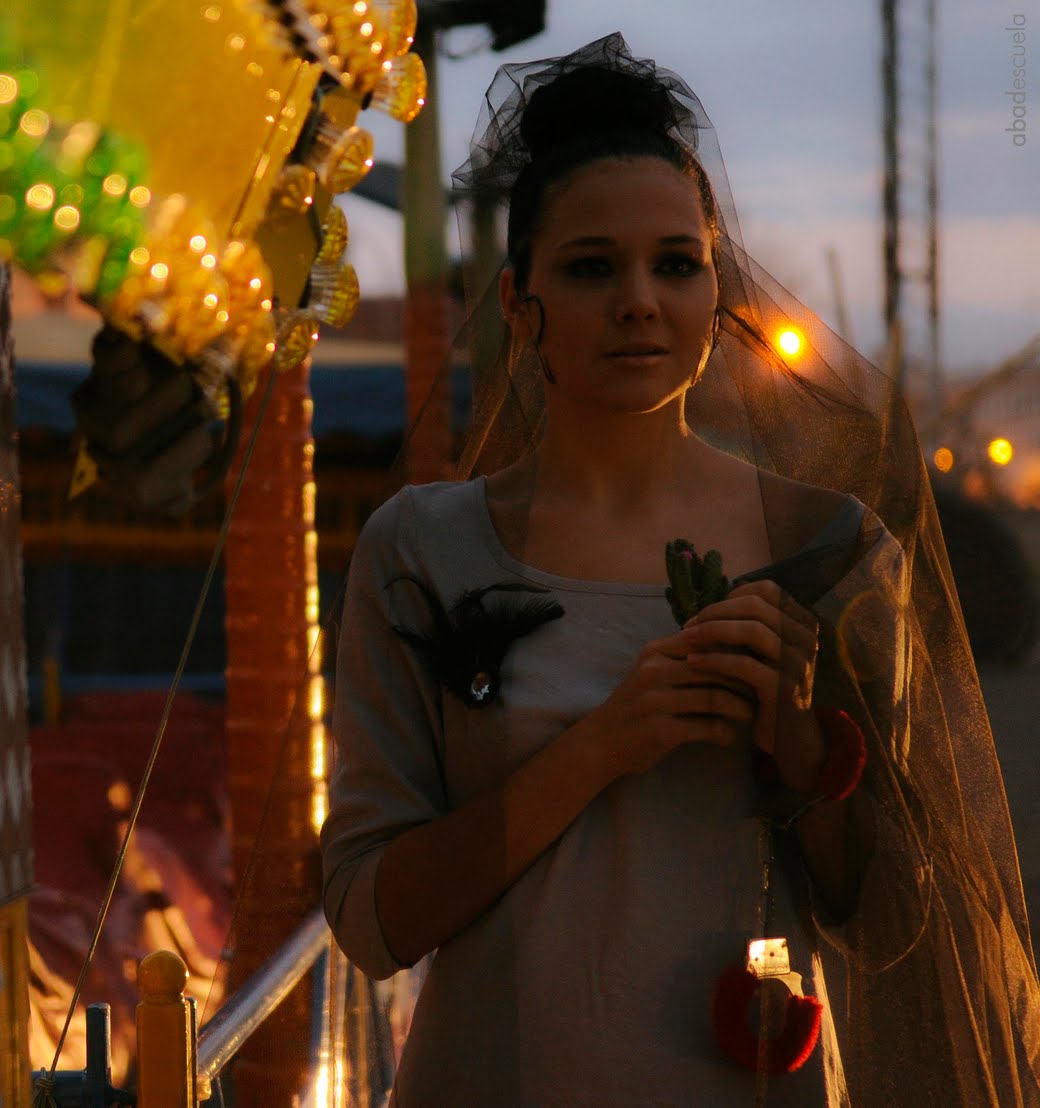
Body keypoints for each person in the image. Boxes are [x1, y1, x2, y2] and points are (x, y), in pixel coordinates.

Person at [320, 33, 1040, 1105]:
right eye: (591, 267)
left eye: (675, 263)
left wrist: (804, 751)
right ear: (518, 305)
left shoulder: (828, 550)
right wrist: (604, 743)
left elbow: (896, 925)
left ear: (717, 292)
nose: (639, 301)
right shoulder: (422, 548)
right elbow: (372, 922)